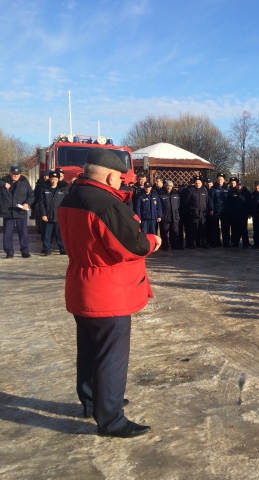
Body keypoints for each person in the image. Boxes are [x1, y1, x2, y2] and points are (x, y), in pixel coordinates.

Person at [58, 148, 161, 438]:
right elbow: (134, 245)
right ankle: (111, 418)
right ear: (109, 175)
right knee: (111, 356)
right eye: (119, 177)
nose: (121, 182)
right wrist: (153, 240)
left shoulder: (72, 197)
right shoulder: (105, 204)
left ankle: (94, 401)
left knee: (89, 350)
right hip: (108, 290)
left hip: (81, 283)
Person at [0, 165, 35, 259]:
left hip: (20, 211)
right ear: (10, 173)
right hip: (8, 211)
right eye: (13, 174)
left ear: (20, 174)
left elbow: (31, 195)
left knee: (23, 232)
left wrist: (27, 203)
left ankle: (25, 251)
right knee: (7, 233)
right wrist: (3, 184)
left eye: (17, 174)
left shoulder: (25, 183)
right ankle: (9, 252)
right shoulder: (4, 181)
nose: (15, 175)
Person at [38, 170, 68, 255]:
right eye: (51, 178)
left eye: (55, 178)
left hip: (59, 216)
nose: (53, 180)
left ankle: (62, 249)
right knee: (47, 235)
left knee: (60, 234)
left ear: (58, 179)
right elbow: (41, 203)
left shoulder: (63, 189)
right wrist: (43, 214)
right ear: (49, 179)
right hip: (48, 216)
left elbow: (66, 202)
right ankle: (47, 249)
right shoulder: (44, 189)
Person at [158, 180, 182, 250]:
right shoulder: (161, 194)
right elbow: (159, 206)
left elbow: (178, 204)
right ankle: (165, 246)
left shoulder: (175, 194)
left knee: (175, 231)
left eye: (171, 186)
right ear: (165, 186)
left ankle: (175, 245)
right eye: (168, 186)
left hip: (174, 216)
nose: (169, 187)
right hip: (165, 216)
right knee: (164, 232)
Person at [187, 176, 208, 248]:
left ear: (201, 183)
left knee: (202, 230)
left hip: (203, 214)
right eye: (196, 183)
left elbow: (207, 202)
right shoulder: (191, 191)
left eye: (199, 183)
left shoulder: (205, 191)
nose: (197, 184)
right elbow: (187, 202)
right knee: (193, 230)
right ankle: (192, 244)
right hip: (194, 214)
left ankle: (202, 243)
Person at [229, 180, 251, 247]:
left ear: (243, 185)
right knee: (236, 229)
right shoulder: (232, 192)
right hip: (235, 214)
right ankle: (236, 242)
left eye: (240, 185)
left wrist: (249, 213)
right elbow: (230, 203)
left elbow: (249, 204)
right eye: (238, 185)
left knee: (244, 229)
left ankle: (245, 243)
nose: (239, 186)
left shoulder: (247, 193)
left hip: (244, 214)